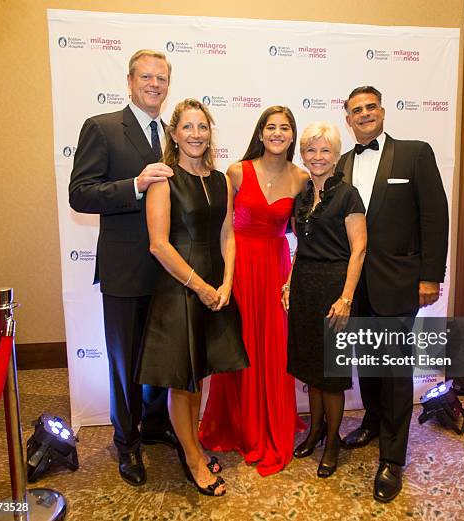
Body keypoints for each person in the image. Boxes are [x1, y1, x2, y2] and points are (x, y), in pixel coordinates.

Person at [69, 49, 177, 486]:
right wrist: (134, 185)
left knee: (161, 357)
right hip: (125, 269)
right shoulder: (102, 127)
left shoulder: (174, 134)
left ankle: (154, 425)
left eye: (162, 78)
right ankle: (127, 443)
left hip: (169, 270)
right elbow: (81, 194)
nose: (155, 84)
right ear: (130, 81)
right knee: (124, 362)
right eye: (147, 77)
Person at [337, 86, 449, 502]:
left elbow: (435, 215)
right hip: (354, 284)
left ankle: (393, 458)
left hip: (399, 281)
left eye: (370, 107)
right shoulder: (342, 164)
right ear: (347, 119)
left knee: (396, 372)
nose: (364, 114)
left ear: (382, 112)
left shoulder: (415, 153)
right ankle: (371, 421)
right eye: (356, 110)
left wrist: (430, 275)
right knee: (367, 360)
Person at [136, 98, 249, 496]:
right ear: (174, 133)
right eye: (188, 127)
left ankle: (193, 446)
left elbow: (227, 235)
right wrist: (200, 286)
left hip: (215, 287)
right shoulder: (163, 180)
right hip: (180, 288)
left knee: (198, 375)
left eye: (202, 127)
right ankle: (192, 459)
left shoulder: (220, 180)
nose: (196, 134)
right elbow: (158, 246)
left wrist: (227, 284)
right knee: (181, 382)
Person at [199, 106, 308, 476]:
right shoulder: (237, 172)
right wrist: (223, 279)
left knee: (274, 348)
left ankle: (272, 425)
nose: (277, 133)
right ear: (260, 133)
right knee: (241, 345)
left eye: (285, 128)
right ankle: (240, 426)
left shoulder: (302, 178)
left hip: (277, 268)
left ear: (292, 136)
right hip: (240, 266)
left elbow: (304, 233)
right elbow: (223, 228)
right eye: (270, 127)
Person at [283, 122, 367, 478]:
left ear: (336, 157)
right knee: (311, 369)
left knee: (331, 374)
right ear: (303, 155)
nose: (317, 157)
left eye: (325, 151)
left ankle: (332, 441)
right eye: (311, 151)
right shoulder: (302, 194)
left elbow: (359, 248)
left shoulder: (348, 194)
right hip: (304, 286)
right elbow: (302, 246)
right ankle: (315, 431)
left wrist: (346, 298)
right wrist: (289, 282)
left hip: (334, 288)